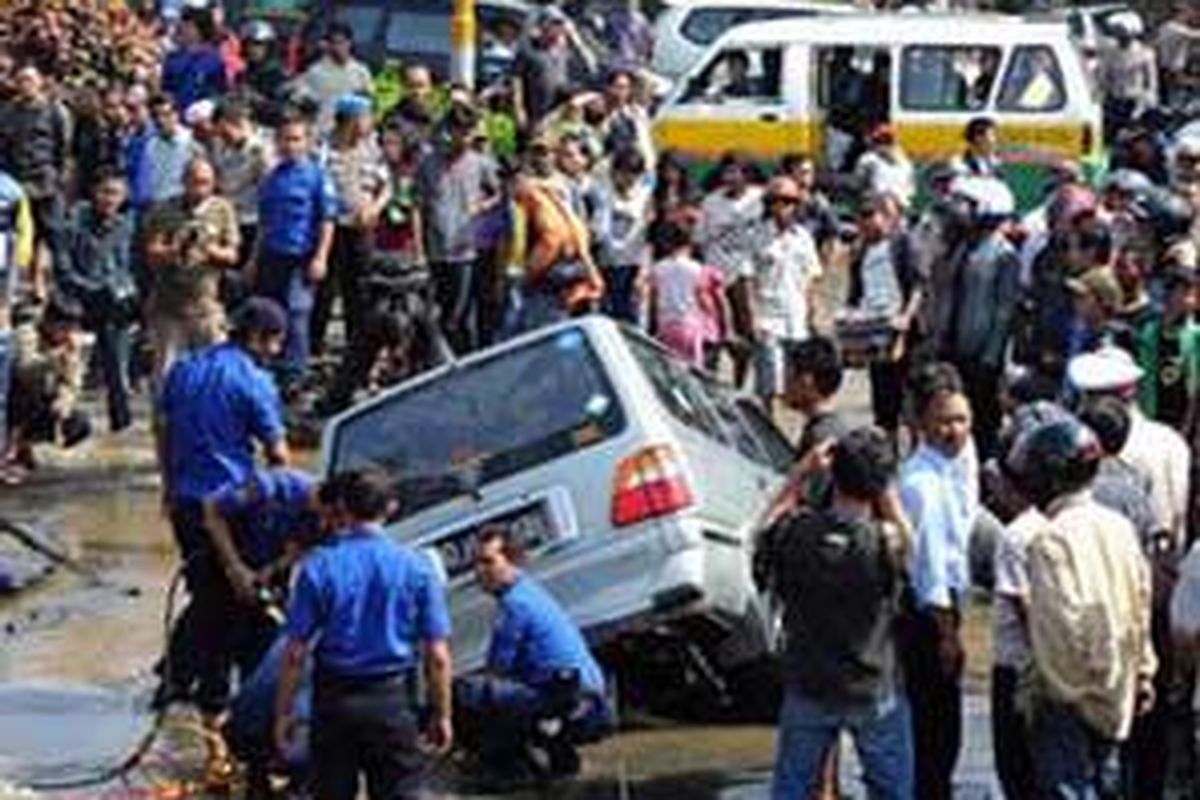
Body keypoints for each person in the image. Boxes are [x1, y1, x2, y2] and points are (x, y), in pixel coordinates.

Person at [155, 297, 291, 780]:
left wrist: (169, 486)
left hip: (186, 505)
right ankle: (223, 717)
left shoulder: (184, 370)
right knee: (236, 611)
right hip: (234, 511)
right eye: (274, 342)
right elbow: (279, 456)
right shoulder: (253, 381)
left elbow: (163, 429)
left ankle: (181, 684)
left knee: (207, 598)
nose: (277, 351)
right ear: (256, 337)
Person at [274, 469, 454, 800]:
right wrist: (442, 713)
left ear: (343, 507)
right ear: (391, 508)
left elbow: (295, 653)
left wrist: (285, 713)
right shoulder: (418, 567)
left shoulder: (318, 567)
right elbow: (438, 656)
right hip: (392, 700)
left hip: (334, 700)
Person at [1008, 416, 1157, 799]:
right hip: (1117, 684)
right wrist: (1142, 673)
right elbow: (1139, 604)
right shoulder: (1118, 527)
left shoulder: (1050, 540)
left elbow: (1061, 628)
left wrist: (1073, 695)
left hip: (1069, 699)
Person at [765, 427, 913, 800]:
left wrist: (799, 474)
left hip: (809, 682)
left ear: (833, 474)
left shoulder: (795, 531)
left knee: (792, 790)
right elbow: (912, 547)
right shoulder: (884, 542)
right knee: (892, 790)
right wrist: (883, 486)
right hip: (871, 685)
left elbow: (762, 529)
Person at [455, 524, 612, 781]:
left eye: (488, 562)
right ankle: (558, 762)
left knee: (465, 692)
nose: (479, 572)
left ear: (513, 562)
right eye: (475, 564)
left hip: (570, 700)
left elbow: (497, 671)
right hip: (588, 695)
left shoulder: (515, 606)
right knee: (508, 694)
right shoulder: (531, 591)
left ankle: (509, 771)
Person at [899, 362, 977, 800]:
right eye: (944, 421)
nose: (955, 431)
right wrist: (947, 635)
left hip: (946, 605)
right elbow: (929, 570)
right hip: (929, 615)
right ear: (921, 423)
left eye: (962, 420)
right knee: (935, 730)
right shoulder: (921, 484)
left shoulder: (953, 463)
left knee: (940, 729)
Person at [248, 116, 337, 391]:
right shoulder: (272, 179)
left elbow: (327, 220)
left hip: (302, 257)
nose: (289, 145)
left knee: (297, 314)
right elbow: (264, 223)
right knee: (271, 314)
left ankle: (296, 375)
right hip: (272, 256)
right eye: (284, 139)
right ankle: (270, 370)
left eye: (296, 139)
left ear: (307, 142)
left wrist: (321, 257)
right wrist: (253, 260)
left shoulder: (317, 177)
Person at [141, 157, 241, 384]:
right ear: (184, 181)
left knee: (214, 372)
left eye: (205, 182)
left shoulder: (222, 209)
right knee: (166, 374)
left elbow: (232, 254)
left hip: (206, 304)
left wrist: (209, 249)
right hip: (169, 304)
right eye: (195, 182)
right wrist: (174, 249)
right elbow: (151, 250)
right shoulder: (165, 209)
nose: (199, 188)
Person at [941, 176, 1021, 458]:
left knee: (984, 421)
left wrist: (990, 357)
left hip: (982, 357)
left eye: (967, 205)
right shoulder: (963, 247)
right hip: (955, 347)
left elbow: (1004, 312)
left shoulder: (1004, 255)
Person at [55, 169, 137, 434]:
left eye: (116, 194)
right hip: (80, 305)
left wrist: (126, 291)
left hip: (116, 306)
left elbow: (134, 267)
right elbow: (63, 269)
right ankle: (64, 426)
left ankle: (121, 424)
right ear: (94, 192)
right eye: (105, 192)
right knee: (70, 373)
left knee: (118, 372)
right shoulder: (74, 224)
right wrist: (92, 290)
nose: (109, 199)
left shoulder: (128, 226)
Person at [311, 94, 389, 360]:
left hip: (362, 229)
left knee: (359, 290)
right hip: (332, 229)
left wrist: (374, 208)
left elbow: (387, 186)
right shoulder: (323, 150)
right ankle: (315, 348)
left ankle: (356, 348)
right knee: (325, 290)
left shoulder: (372, 148)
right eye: (366, 117)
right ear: (352, 120)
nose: (371, 122)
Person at [417, 104, 499, 353]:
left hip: (465, 251)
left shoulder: (481, 163)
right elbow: (417, 206)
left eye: (468, 132)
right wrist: (419, 248)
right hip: (434, 250)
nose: (463, 138)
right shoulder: (429, 163)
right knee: (433, 312)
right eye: (459, 131)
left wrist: (481, 207)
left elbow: (499, 193)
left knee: (460, 314)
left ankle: (463, 357)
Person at [845, 193, 925, 439]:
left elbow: (917, 286)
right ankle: (886, 448)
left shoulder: (902, 244)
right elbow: (855, 293)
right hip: (874, 331)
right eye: (862, 217)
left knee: (909, 396)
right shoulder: (860, 253)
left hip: (902, 332)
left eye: (872, 215)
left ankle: (914, 446)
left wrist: (906, 317)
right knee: (882, 397)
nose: (867, 222)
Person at [745, 176, 823, 417]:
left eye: (788, 201)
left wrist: (813, 312)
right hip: (768, 318)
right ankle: (769, 427)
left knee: (799, 382)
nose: (782, 206)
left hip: (797, 319)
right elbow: (748, 279)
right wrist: (752, 316)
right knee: (769, 384)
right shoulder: (755, 236)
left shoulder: (804, 238)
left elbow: (812, 277)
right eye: (776, 201)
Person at [0, 64, 68, 300]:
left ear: (40, 82)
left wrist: (58, 177)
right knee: (21, 237)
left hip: (46, 183)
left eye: (30, 79)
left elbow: (63, 148)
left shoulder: (55, 111)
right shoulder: (7, 113)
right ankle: (24, 285)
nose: (25, 85)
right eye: (21, 80)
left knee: (54, 235)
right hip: (16, 185)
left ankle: (57, 288)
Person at [211, 99, 275, 278]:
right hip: (229, 220)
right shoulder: (222, 147)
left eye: (225, 132)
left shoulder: (260, 151)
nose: (223, 138)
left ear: (238, 123)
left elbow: (267, 193)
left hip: (251, 222)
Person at [514, 6, 598, 127]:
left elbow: (590, 67)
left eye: (561, 25)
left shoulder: (562, 50)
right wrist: (519, 111)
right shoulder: (529, 50)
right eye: (555, 25)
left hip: (555, 116)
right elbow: (517, 83)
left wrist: (575, 38)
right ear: (544, 26)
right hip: (533, 113)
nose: (559, 29)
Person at [292, 23, 374, 135]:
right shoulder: (316, 71)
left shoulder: (360, 71)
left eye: (341, 42)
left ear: (350, 43)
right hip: (321, 130)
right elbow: (299, 98)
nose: (337, 47)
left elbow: (368, 103)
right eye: (333, 43)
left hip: (348, 133)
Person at [139, 93, 203, 208]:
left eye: (166, 114)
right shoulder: (151, 145)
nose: (160, 120)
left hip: (184, 203)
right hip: (159, 204)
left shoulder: (192, 141)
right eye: (155, 116)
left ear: (176, 114)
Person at [160, 5, 227, 113]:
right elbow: (166, 89)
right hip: (174, 117)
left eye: (189, 26)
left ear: (200, 30)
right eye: (182, 25)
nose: (182, 29)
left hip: (201, 119)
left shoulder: (214, 60)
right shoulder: (172, 58)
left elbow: (220, 93)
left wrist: (209, 105)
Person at [854, 125, 916, 211]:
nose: (881, 146)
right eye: (878, 142)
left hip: (890, 202)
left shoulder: (869, 159)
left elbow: (910, 190)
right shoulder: (869, 159)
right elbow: (859, 182)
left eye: (886, 142)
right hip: (880, 202)